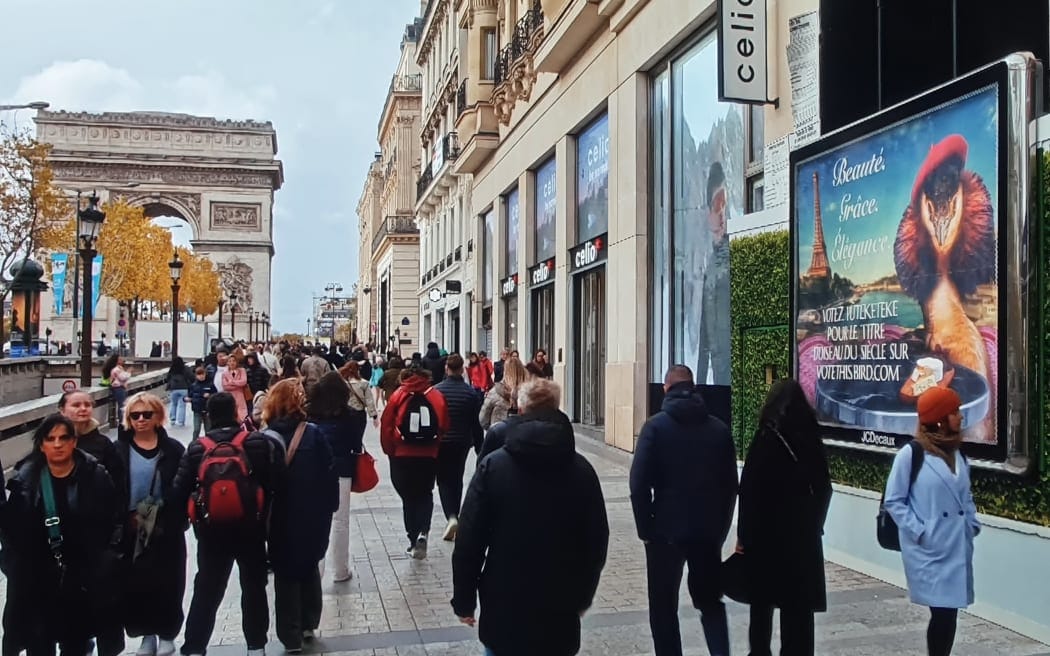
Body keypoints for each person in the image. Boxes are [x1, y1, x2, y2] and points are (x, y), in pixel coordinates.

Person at [451, 379, 609, 656]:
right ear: (557, 408)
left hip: (504, 600)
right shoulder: (581, 470)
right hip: (560, 605)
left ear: (521, 410)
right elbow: (596, 542)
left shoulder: (494, 466)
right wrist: (583, 596)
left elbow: (469, 539)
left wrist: (464, 600)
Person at [630, 365, 738, 656]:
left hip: (664, 532)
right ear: (694, 387)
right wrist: (720, 530)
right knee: (710, 602)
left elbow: (638, 484)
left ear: (666, 389)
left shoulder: (654, 428)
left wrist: (646, 530)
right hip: (707, 532)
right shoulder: (718, 429)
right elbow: (730, 486)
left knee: (663, 608)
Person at [169, 392, 286, 656]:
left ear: (209, 416)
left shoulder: (198, 448)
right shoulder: (256, 442)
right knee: (253, 587)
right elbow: (276, 482)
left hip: (211, 531)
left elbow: (178, 491)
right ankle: (256, 645)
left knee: (207, 589)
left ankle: (195, 646)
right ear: (235, 412)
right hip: (251, 528)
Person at [0, 414, 124, 656]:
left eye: (64, 438)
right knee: (39, 642)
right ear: (41, 444)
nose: (57, 444)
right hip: (37, 580)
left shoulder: (95, 475)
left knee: (76, 642)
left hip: (82, 578)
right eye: (51, 439)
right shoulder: (25, 480)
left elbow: (112, 520)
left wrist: (106, 562)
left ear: (74, 442)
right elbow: (13, 532)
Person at [737, 379, 833, 656]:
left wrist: (744, 536)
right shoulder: (811, 439)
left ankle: (759, 652)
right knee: (798, 608)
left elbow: (750, 491)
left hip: (767, 538)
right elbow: (824, 488)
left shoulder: (766, 438)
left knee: (762, 602)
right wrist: (814, 525)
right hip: (802, 540)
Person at [884, 387, 979, 656]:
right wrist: (920, 531)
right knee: (943, 612)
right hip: (930, 550)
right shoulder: (911, 454)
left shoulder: (958, 454)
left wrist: (971, 524)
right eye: (954, 412)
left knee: (949, 613)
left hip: (956, 546)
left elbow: (966, 496)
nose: (960, 417)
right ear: (939, 419)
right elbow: (894, 500)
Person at [263, 380, 339, 653]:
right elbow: (330, 474)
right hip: (312, 514)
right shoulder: (313, 434)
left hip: (279, 516)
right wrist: (330, 508)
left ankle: (290, 634)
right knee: (309, 565)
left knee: (285, 573)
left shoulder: (265, 439)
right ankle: (309, 622)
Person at [114, 393, 187, 656]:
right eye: (135, 415)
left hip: (166, 525)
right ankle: (146, 635)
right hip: (132, 526)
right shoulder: (118, 450)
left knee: (169, 581)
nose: (141, 419)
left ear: (158, 416)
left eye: (147, 414)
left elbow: (184, 485)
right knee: (136, 583)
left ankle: (167, 633)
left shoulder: (174, 449)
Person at [380, 364, 450, 559]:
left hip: (402, 454)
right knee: (425, 493)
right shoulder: (435, 395)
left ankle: (412, 539)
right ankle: (423, 531)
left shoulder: (399, 395)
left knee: (408, 497)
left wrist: (390, 451)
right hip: (428, 454)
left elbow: (387, 425)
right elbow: (444, 424)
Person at [308, 372, 365, 583]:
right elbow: (356, 445)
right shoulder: (350, 415)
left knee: (316, 519)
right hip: (342, 470)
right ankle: (340, 569)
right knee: (341, 521)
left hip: (314, 470)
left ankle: (317, 569)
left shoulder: (309, 412)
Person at [434, 354, 484, 541]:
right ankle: (455, 513)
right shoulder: (470, 393)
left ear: (446, 369)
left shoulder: (437, 391)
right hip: (462, 442)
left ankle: (451, 515)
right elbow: (476, 424)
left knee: (443, 480)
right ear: (462, 369)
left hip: (442, 442)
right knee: (457, 477)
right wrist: (479, 447)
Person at [58, 390, 127, 504]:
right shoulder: (52, 440)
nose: (83, 409)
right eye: (76, 405)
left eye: (87, 405)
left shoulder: (103, 443)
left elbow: (118, 480)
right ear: (62, 410)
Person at [698, 162, 731, 385]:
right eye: (716, 206)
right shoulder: (709, 265)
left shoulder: (731, 257)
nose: (721, 214)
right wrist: (699, 381)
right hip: (718, 376)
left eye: (724, 205)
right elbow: (703, 335)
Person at [479, 356, 528, 431]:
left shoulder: (495, 392)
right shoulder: (529, 393)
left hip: (499, 434)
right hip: (523, 435)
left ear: (505, 371)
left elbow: (483, 419)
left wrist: (493, 430)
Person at [340, 361, 379, 428]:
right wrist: (374, 416)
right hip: (359, 412)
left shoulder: (341, 383)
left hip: (345, 413)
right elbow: (369, 400)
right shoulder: (364, 383)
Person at [188, 367, 217, 439]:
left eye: (202, 374)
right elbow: (189, 396)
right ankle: (194, 442)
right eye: (199, 374)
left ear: (205, 374)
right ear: (196, 376)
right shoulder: (193, 386)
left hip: (207, 410)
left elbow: (216, 395)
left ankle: (209, 442)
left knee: (208, 430)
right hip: (197, 410)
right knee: (196, 429)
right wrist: (186, 399)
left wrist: (209, 395)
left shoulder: (210, 385)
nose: (201, 376)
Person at [102, 353, 132, 421]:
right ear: (117, 361)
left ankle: (121, 420)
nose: (122, 360)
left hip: (118, 388)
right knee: (122, 405)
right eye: (120, 359)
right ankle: (122, 420)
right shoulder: (116, 369)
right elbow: (123, 377)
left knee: (122, 405)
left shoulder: (117, 368)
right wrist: (129, 372)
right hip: (119, 388)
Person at [222, 351, 250, 423]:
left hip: (240, 397)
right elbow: (225, 386)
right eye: (230, 361)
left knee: (242, 417)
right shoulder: (225, 373)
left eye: (233, 361)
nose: (232, 363)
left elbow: (243, 382)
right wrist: (238, 385)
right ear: (227, 363)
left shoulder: (242, 370)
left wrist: (232, 382)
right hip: (230, 397)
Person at [166, 356, 193, 428]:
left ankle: (172, 419)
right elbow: (191, 377)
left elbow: (167, 378)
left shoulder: (172, 369)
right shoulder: (185, 369)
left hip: (173, 388)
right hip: (184, 388)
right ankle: (180, 421)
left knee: (173, 404)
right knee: (182, 405)